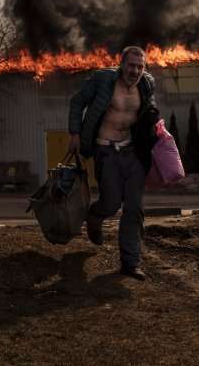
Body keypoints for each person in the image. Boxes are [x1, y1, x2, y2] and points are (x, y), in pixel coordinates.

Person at [67, 46, 159, 281]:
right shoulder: (103, 79)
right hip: (105, 150)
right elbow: (77, 102)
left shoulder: (146, 84)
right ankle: (95, 217)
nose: (135, 71)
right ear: (121, 65)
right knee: (110, 202)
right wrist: (75, 134)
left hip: (133, 153)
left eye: (140, 66)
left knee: (134, 207)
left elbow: (149, 111)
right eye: (131, 65)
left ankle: (130, 263)